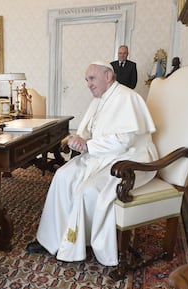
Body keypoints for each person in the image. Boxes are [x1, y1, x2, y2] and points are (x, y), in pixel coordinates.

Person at [27, 61, 158, 266]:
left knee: (88, 190)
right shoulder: (99, 99)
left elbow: (125, 141)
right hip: (101, 155)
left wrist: (88, 145)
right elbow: (89, 130)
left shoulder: (128, 98)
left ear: (108, 76)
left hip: (129, 158)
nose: (88, 84)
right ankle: (50, 240)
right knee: (62, 176)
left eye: (91, 78)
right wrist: (79, 139)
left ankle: (83, 243)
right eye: (86, 80)